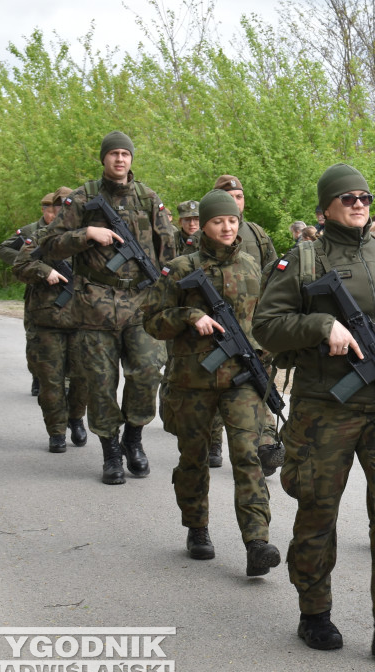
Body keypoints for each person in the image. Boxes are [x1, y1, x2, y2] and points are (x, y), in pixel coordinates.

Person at [253, 163, 375, 666]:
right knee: (318, 509)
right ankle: (314, 611)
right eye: (347, 198)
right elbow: (267, 326)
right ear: (325, 208)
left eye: (364, 196)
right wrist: (321, 325)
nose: (358, 204)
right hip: (326, 408)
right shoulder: (302, 259)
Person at [142, 189, 280, 576]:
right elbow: (151, 320)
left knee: (248, 457)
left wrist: (267, 357)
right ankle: (197, 527)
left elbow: (265, 320)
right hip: (192, 381)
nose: (227, 227)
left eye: (232, 220)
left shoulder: (252, 265)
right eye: (218, 221)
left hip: (241, 379)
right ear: (203, 224)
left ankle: (257, 541)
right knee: (193, 458)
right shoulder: (180, 268)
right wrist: (189, 316)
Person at [38, 130, 174, 485]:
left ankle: (134, 437)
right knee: (100, 382)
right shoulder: (83, 198)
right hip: (93, 304)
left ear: (132, 159)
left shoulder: (148, 198)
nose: (119, 159)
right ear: (103, 159)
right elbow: (49, 245)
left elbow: (169, 249)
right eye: (113, 153)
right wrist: (86, 235)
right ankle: (111, 451)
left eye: (125, 154)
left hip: (142, 303)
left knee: (147, 370)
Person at [212, 174, 283, 475]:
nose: (235, 203)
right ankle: (212, 438)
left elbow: (275, 273)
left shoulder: (256, 233)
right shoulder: (206, 234)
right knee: (217, 383)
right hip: (215, 326)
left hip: (253, 325)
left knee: (257, 380)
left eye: (239, 197)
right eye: (228, 197)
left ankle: (265, 443)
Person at [12, 198, 89, 453]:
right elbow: (20, 265)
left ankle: (76, 418)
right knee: (51, 381)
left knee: (81, 378)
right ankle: (56, 431)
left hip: (83, 318)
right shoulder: (42, 237)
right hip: (47, 320)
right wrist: (45, 272)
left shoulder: (90, 237)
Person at [0, 187, 72, 396]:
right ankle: (38, 376)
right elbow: (6, 250)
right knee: (36, 341)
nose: (55, 213)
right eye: (52, 208)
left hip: (73, 297)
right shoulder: (34, 231)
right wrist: (39, 267)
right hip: (40, 294)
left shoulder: (83, 232)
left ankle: (65, 385)